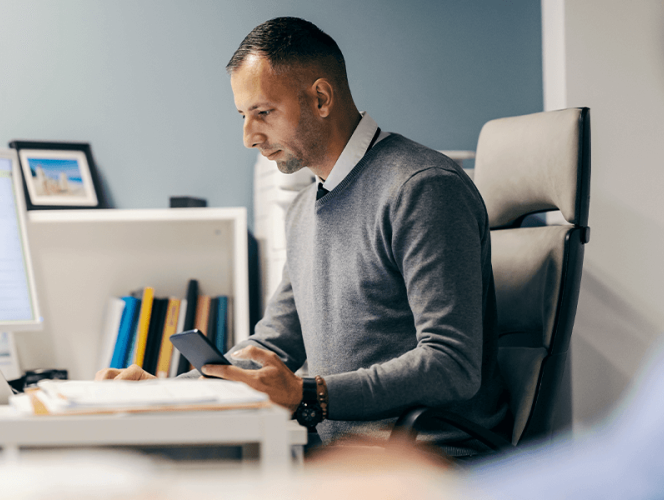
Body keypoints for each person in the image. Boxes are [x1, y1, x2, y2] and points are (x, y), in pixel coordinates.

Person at [97, 17, 508, 454]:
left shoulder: (422, 188)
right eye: (242, 115)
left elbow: (452, 364)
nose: (248, 136)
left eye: (263, 113)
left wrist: (309, 394)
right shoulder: (303, 210)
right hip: (337, 460)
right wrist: (168, 392)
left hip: (425, 459)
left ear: (321, 97)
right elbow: (272, 344)